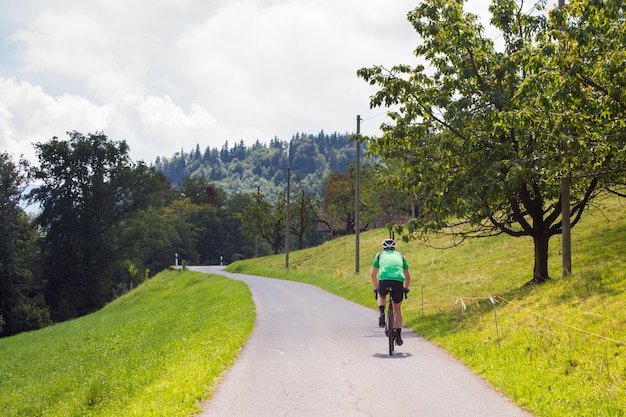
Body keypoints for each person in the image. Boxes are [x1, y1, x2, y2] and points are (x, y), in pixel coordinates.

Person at [370, 238, 411, 345]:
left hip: (383, 279)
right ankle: (398, 335)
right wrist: (405, 288)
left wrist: (376, 287)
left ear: (383, 248)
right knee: (397, 309)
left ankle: (382, 312)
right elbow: (408, 277)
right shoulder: (401, 256)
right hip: (398, 281)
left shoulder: (379, 255)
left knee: (381, 296)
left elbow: (373, 275)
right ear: (394, 248)